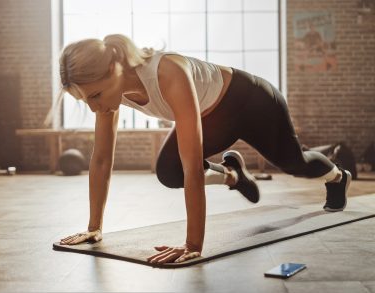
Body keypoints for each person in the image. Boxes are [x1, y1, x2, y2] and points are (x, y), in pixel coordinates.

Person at [55, 34, 351, 265]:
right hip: (213, 117)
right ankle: (233, 174)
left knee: (294, 163)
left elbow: (193, 166)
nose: (95, 107)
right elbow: (102, 159)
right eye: (85, 102)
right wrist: (94, 227)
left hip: (252, 102)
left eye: (95, 95)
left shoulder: (167, 72)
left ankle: (338, 176)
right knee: (169, 172)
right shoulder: (109, 94)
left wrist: (193, 244)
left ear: (113, 68)